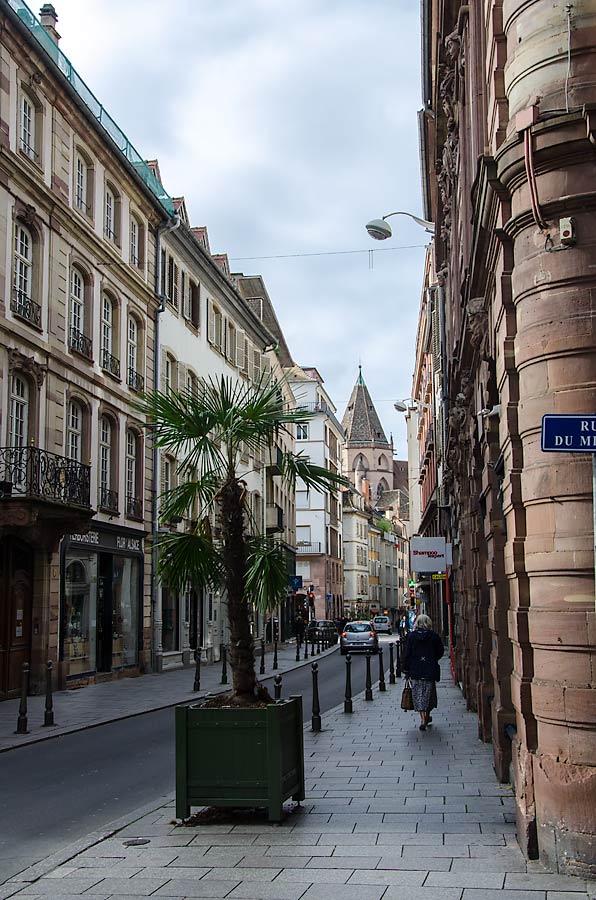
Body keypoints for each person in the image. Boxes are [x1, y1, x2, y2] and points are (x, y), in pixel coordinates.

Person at [403, 613, 444, 731]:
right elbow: (440, 651)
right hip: (429, 669)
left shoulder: (411, 637)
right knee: (429, 695)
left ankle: (422, 718)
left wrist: (406, 668)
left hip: (415, 669)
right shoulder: (434, 636)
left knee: (418, 696)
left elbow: (407, 654)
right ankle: (427, 716)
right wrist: (433, 659)